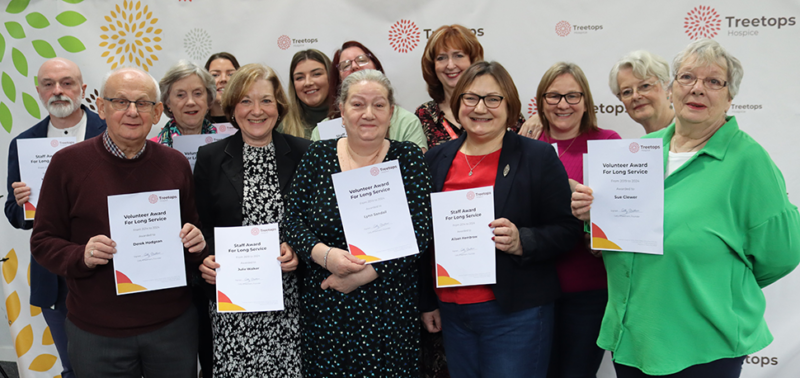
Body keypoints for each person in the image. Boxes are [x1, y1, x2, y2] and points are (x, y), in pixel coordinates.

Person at [571, 39, 800, 378]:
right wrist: (592, 217)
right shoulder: (638, 152)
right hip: (633, 337)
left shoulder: (748, 161)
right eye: (688, 77)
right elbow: (611, 239)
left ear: (729, 97)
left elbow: (782, 252)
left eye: (713, 81)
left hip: (704, 343)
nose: (698, 89)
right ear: (672, 88)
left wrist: (720, 286)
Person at [29, 67, 208, 378]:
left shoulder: (175, 163)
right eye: (120, 101)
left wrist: (196, 241)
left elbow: (192, 230)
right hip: (97, 332)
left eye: (142, 103)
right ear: (101, 107)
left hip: (172, 327)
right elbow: (43, 241)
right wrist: (80, 255)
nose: (132, 112)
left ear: (157, 112)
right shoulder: (67, 165)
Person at [421, 61, 582, 378]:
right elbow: (424, 238)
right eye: (470, 98)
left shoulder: (537, 157)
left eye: (493, 99)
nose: (481, 108)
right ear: (458, 104)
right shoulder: (436, 159)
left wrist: (524, 241)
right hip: (453, 312)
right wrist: (428, 300)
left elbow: (567, 229)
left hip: (515, 313)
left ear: (510, 106)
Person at [284, 69, 432, 377]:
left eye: (379, 105)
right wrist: (326, 255)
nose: (368, 114)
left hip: (390, 308)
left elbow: (421, 232)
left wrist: (363, 275)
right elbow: (292, 220)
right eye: (357, 104)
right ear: (341, 109)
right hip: (327, 305)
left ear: (391, 111)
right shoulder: (318, 156)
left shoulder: (409, 159)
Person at [195, 63, 309, 377]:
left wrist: (298, 250)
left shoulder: (304, 154)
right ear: (232, 107)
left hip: (290, 301)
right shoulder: (210, 158)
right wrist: (205, 258)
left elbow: (317, 223)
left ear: (280, 106)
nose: (256, 110)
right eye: (246, 101)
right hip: (232, 300)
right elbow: (201, 223)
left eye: (266, 100)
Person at [4, 57, 107, 378]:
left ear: (83, 89)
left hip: (108, 268)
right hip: (55, 277)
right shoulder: (23, 143)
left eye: (66, 83)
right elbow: (15, 216)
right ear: (38, 91)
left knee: (114, 363)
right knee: (73, 367)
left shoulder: (110, 132)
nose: (58, 91)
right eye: (49, 84)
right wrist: (21, 204)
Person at [534, 62, 620, 378]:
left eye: (572, 95)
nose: (563, 104)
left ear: (586, 101)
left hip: (589, 290)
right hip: (536, 294)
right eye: (553, 96)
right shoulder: (527, 145)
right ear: (541, 102)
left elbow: (621, 213)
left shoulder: (608, 143)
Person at [416, 24, 531, 148]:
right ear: (432, 66)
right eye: (441, 58)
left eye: (458, 56)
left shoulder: (502, 107)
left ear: (473, 60)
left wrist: (540, 120)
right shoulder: (425, 115)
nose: (450, 65)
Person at [310, 41, 428, 151]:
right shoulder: (321, 133)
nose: (354, 66)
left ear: (376, 65)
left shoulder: (406, 121)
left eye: (361, 60)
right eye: (345, 65)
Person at [153, 60, 218, 146]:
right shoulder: (153, 149)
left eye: (197, 93)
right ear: (168, 102)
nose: (190, 102)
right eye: (180, 95)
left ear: (208, 99)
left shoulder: (226, 147)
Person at [608, 50, 674, 134]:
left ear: (667, 88)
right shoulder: (641, 144)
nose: (635, 96)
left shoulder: (691, 137)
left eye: (645, 86)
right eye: (627, 92)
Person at [281, 49, 332, 139]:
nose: (308, 83)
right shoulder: (283, 127)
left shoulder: (349, 118)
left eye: (316, 74)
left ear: (331, 76)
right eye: (300, 77)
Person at [205, 52, 240, 124]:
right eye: (215, 75)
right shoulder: (195, 121)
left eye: (230, 74)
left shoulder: (248, 119)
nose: (223, 79)